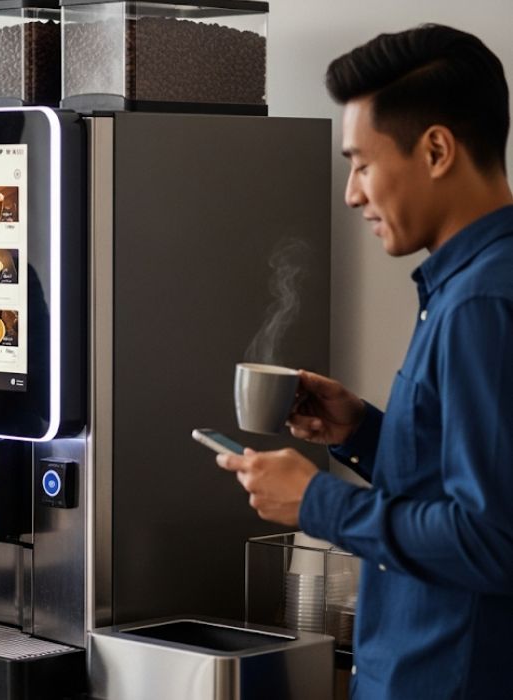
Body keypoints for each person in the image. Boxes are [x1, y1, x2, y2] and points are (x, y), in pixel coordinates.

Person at [216, 24, 513, 699]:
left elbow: (494, 539)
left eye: (362, 163)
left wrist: (316, 504)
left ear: (436, 149)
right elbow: (470, 481)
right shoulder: (462, 287)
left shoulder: (481, 304)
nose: (351, 193)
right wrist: (364, 433)